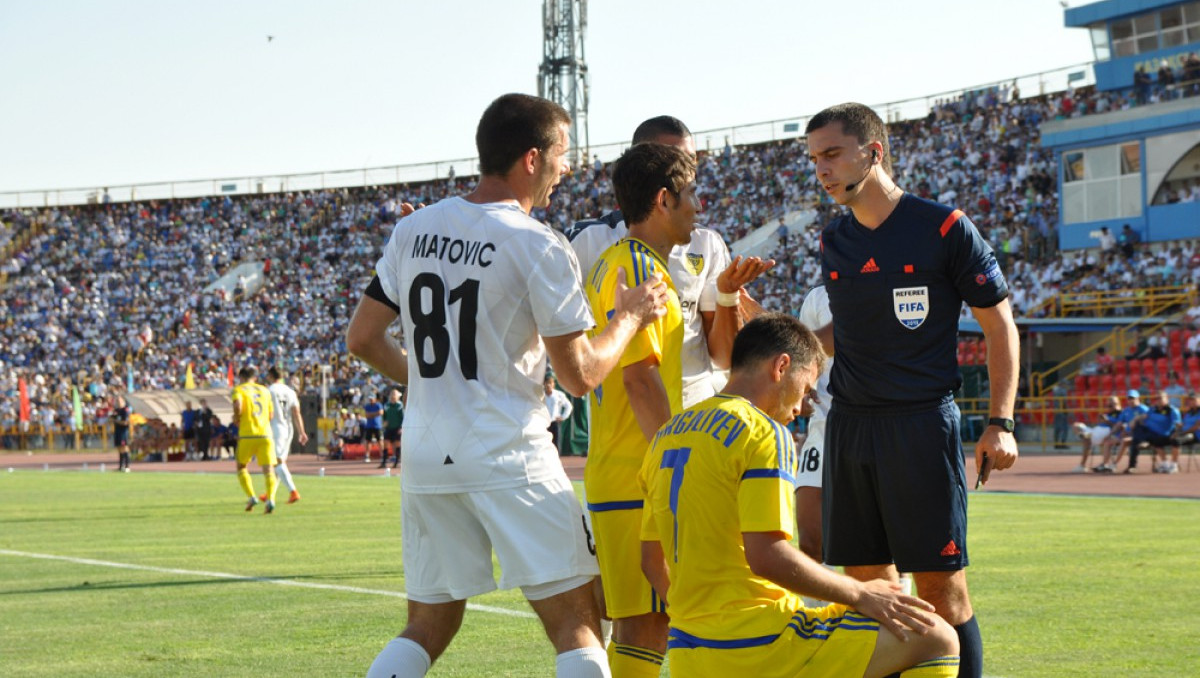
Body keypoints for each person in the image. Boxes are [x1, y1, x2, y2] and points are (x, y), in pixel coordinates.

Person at [345, 92, 669, 678]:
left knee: (429, 623)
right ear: (530, 158)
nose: (567, 168)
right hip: (508, 450)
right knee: (579, 621)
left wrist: (429, 388)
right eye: (562, 154)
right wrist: (630, 317)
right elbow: (582, 374)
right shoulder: (538, 244)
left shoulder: (413, 229)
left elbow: (363, 338)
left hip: (426, 451)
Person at [805, 102, 1019, 678]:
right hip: (850, 428)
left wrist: (1001, 422)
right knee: (873, 593)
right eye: (814, 159)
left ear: (872, 153)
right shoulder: (834, 240)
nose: (820, 170)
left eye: (831, 155)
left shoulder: (943, 226)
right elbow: (840, 334)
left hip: (920, 426)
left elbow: (1001, 325)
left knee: (943, 593)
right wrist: (789, 345)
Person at [639, 313, 959, 678]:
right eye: (807, 389)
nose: (803, 406)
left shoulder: (666, 436)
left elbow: (652, 562)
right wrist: (860, 593)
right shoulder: (762, 432)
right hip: (763, 645)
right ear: (781, 367)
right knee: (937, 637)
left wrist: (702, 624)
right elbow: (767, 556)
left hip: (689, 651)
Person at [583, 141, 708, 676]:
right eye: (691, 195)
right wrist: (675, 465)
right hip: (638, 475)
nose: (697, 207)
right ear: (664, 199)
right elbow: (639, 378)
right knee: (646, 626)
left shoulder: (616, 262)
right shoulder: (638, 269)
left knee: (646, 625)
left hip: (620, 469)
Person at [567, 115, 772, 409]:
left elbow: (723, 357)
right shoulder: (588, 241)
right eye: (674, 159)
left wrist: (727, 295)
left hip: (693, 404)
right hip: (624, 411)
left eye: (691, 161)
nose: (687, 171)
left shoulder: (706, 243)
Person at [795, 285, 832, 563]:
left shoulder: (885, 283)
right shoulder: (818, 297)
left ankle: (893, 606)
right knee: (810, 541)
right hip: (824, 425)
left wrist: (773, 330)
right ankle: (815, 608)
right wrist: (802, 392)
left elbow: (832, 339)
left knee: (890, 548)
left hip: (878, 424)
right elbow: (806, 359)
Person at [231, 365, 277, 513]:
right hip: (265, 434)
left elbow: (238, 405)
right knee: (268, 469)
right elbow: (271, 415)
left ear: (241, 377)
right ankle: (270, 499)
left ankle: (252, 496)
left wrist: (237, 418)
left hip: (247, 433)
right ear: (255, 377)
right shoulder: (265, 390)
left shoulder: (239, 390)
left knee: (241, 466)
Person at [266, 365, 307, 504]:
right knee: (277, 462)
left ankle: (293, 491)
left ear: (271, 376)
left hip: (275, 427)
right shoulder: (290, 391)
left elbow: (267, 413)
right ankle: (270, 493)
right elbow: (296, 413)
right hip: (288, 428)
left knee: (277, 461)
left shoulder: (269, 391)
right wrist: (302, 432)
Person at [1126, 390, 1181, 474]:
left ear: (1167, 399)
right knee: (1137, 431)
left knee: (1173, 441)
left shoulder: (1172, 410)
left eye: (1160, 398)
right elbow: (1144, 416)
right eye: (1157, 398)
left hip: (1163, 434)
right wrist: (1135, 419)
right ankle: (1164, 464)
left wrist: (1176, 433)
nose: (1158, 400)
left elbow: (1177, 424)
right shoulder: (1153, 409)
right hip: (1150, 432)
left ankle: (1173, 465)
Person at [1097, 390, 1149, 472]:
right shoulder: (1126, 411)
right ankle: (1104, 464)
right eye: (1128, 398)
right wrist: (1110, 434)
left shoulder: (1144, 409)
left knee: (1124, 441)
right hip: (1127, 434)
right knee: (1108, 442)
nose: (1130, 400)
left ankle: (1114, 464)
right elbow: (1118, 424)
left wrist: (1131, 430)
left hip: (1139, 436)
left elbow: (1148, 424)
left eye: (1132, 398)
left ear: (1138, 398)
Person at [1073, 395, 1120, 473]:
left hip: (1106, 432)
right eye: (1108, 405)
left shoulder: (1121, 413)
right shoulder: (1108, 414)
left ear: (1117, 404)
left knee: (1087, 439)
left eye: (1111, 405)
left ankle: (1082, 465)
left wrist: (1107, 421)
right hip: (1096, 430)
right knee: (1076, 425)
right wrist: (1101, 419)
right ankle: (1083, 436)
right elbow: (1100, 424)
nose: (1109, 407)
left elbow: (1118, 427)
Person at [543, 372, 573, 452]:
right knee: (544, 445)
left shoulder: (559, 395)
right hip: (544, 424)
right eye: (546, 383)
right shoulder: (540, 395)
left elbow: (568, 406)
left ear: (553, 384)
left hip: (555, 423)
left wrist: (563, 417)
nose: (548, 385)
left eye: (550, 383)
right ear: (544, 384)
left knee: (556, 444)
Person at [380, 388, 405, 469]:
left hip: (397, 428)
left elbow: (403, 417)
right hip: (389, 428)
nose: (392, 396)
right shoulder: (387, 405)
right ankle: (384, 462)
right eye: (391, 394)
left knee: (397, 444)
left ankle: (397, 462)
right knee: (385, 444)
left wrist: (401, 427)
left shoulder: (400, 405)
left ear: (398, 396)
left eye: (394, 394)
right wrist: (384, 423)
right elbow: (384, 416)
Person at [361, 393, 384, 463]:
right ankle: (367, 456)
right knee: (368, 441)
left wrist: (372, 414)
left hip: (377, 426)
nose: (370, 400)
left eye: (372, 398)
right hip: (369, 426)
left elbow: (381, 412)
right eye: (370, 399)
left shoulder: (378, 405)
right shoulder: (367, 406)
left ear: (375, 399)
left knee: (380, 440)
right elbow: (367, 415)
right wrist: (375, 414)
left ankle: (383, 455)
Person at [112, 394, 131, 472]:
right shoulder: (116, 410)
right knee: (119, 448)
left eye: (120, 400)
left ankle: (127, 466)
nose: (118, 402)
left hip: (123, 432)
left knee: (124, 448)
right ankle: (121, 466)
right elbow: (112, 419)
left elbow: (125, 422)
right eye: (117, 400)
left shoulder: (125, 410)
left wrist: (116, 421)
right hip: (117, 431)